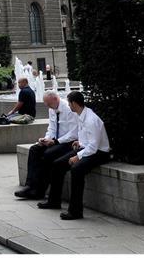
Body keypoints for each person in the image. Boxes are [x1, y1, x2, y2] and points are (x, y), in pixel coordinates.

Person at [37, 91, 110, 219]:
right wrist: (79, 142)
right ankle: (54, 201)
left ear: (74, 103)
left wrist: (78, 156)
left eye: (69, 103)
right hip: (87, 149)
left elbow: (93, 147)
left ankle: (75, 211)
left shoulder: (91, 119)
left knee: (76, 170)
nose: (68, 106)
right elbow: (88, 140)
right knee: (57, 164)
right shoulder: (82, 114)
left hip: (99, 153)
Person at [15, 91, 79, 200]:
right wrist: (46, 139)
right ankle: (30, 186)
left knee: (48, 154)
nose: (47, 106)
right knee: (34, 149)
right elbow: (52, 128)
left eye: (48, 104)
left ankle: (40, 190)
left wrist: (56, 142)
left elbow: (73, 133)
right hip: (55, 140)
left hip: (68, 142)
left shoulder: (69, 110)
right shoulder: (52, 109)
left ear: (55, 99)